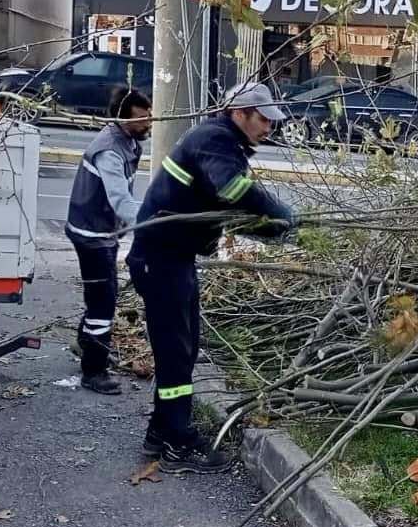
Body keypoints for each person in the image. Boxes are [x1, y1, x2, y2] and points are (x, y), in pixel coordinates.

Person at [127, 82, 296, 473]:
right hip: (161, 257)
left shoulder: (222, 143)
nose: (269, 127)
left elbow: (228, 211)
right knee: (175, 353)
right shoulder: (215, 141)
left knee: (184, 348)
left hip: (174, 256)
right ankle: (177, 443)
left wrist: (276, 230)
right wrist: (282, 214)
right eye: (264, 118)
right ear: (240, 113)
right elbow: (237, 191)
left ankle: (162, 430)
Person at [65, 86, 153, 394]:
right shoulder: (109, 151)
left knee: (101, 294)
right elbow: (122, 203)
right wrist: (158, 219)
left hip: (104, 232)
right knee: (103, 301)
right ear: (121, 119)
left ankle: (86, 344)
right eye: (142, 119)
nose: (149, 125)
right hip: (92, 236)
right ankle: (94, 370)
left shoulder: (128, 140)